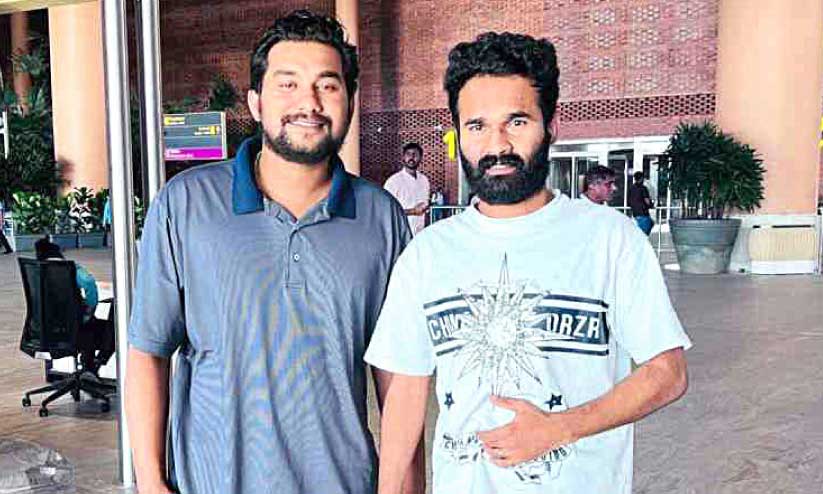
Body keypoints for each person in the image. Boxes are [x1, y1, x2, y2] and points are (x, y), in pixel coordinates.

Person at [365, 32, 691, 494]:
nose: (496, 145)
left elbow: (668, 373)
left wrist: (560, 428)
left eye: (516, 122)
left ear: (551, 125)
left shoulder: (610, 239)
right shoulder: (427, 254)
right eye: (477, 126)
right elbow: (404, 395)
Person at [126, 11, 414, 494]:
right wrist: (151, 482)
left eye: (328, 85)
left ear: (349, 100)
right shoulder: (186, 204)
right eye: (288, 84)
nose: (309, 102)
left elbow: (400, 378)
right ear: (256, 102)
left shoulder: (380, 218)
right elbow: (148, 352)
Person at [34, 237, 113, 371]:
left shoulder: (37, 271)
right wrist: (90, 308)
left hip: (46, 331)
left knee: (88, 326)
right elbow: (88, 282)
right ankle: (93, 366)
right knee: (112, 325)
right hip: (75, 330)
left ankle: (88, 367)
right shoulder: (68, 268)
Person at [384, 142, 431, 235]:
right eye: (408, 154)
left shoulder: (424, 180)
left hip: (419, 233)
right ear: (403, 157)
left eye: (415, 154)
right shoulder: (393, 181)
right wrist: (412, 211)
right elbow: (386, 210)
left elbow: (425, 208)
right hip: (400, 233)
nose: (411, 157)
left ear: (421, 158)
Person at [628, 171, 654, 235]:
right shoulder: (643, 188)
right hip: (643, 214)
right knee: (644, 234)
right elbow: (647, 201)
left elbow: (629, 201)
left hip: (635, 214)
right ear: (641, 178)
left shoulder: (631, 188)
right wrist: (651, 205)